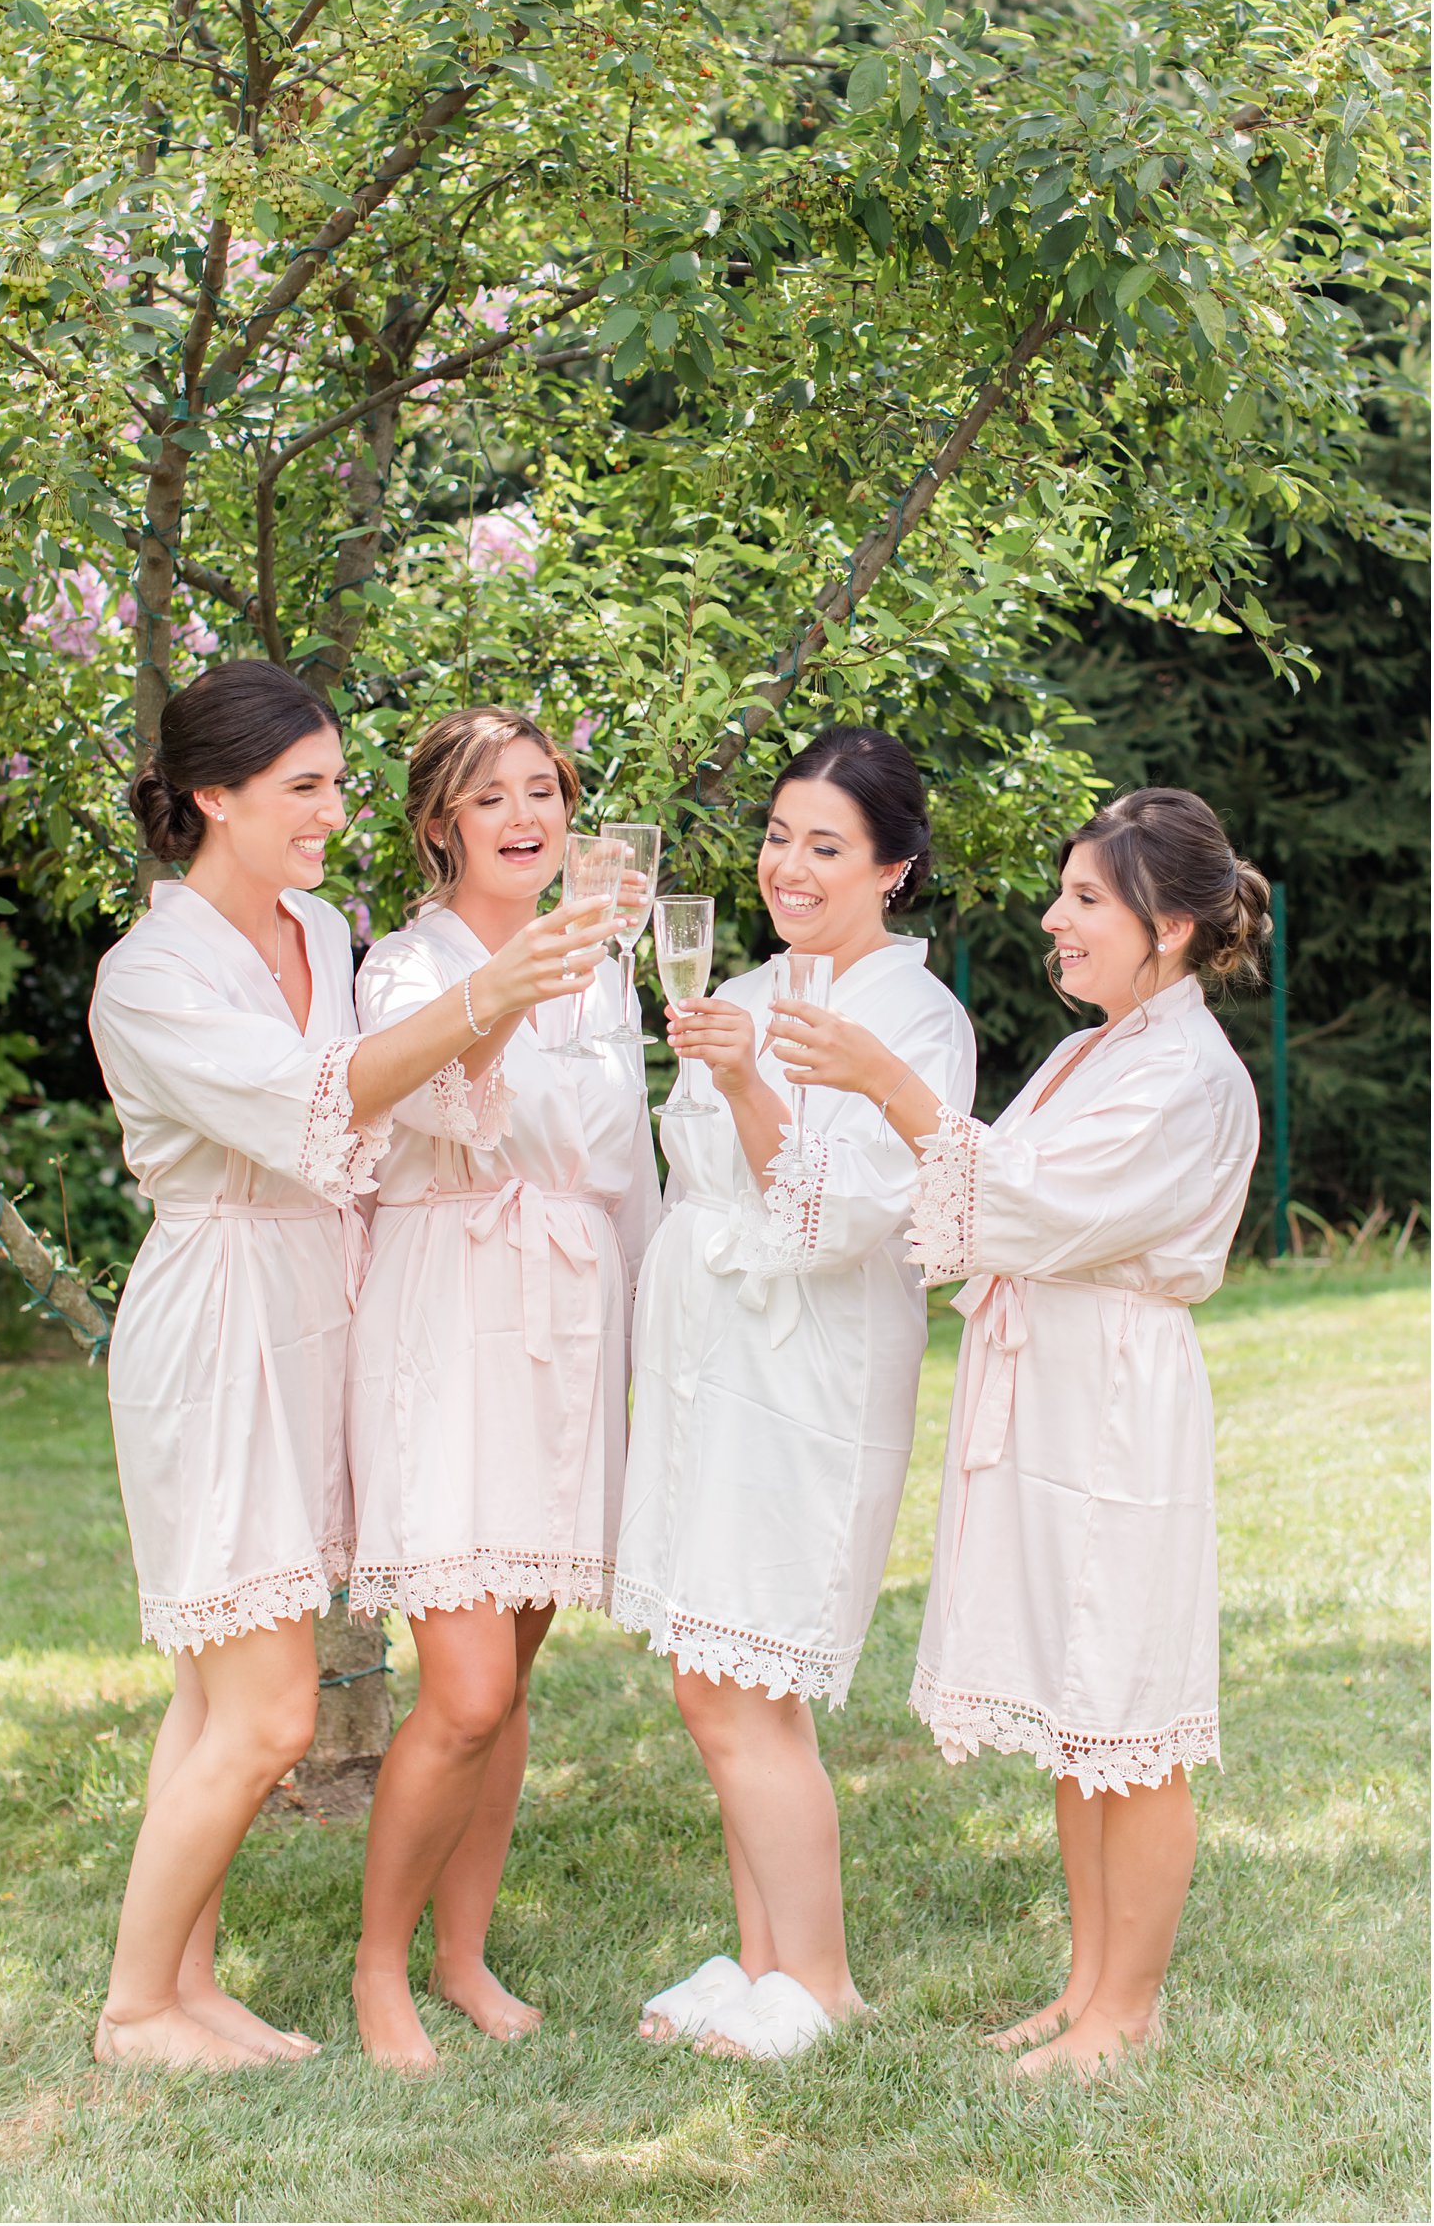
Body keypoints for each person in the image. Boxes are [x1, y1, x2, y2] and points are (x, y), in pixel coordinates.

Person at [88, 662, 607, 2070]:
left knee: (207, 1694)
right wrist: (490, 988)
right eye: (303, 787)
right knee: (264, 1710)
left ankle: (187, 1982)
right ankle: (135, 2007)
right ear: (214, 797)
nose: (333, 811)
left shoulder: (315, 923)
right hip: (219, 1313)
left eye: (333, 781)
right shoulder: (150, 977)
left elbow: (393, 1110)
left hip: (324, 1300)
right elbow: (317, 1102)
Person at [770, 787, 1266, 2080]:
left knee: (1130, 1713)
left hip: (1114, 1398)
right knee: (1072, 1703)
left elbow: (1032, 1202)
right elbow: (1003, 1193)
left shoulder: (1186, 1073)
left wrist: (886, 1081)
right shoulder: (1094, 1045)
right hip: (1046, 1381)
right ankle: (1084, 1986)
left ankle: (1129, 2013)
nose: (1055, 917)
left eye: (1086, 898)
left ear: (1167, 923)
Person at [612, 726, 975, 2061]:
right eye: (777, 836)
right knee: (711, 1668)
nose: (788, 864)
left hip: (807, 1364)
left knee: (747, 1674)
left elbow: (833, 1216)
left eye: (826, 845)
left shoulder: (916, 1016)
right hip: (713, 1358)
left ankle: (819, 1979)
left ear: (894, 867)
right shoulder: (752, 980)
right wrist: (729, 1057)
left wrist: (739, 1074)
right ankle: (761, 1958)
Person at [346, 707, 659, 2073]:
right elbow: (435, 1109)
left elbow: (625, 1163)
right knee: (462, 1685)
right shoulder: (404, 967)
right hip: (450, 1317)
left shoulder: (608, 973)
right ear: (440, 825)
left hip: (569, 1325)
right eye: (493, 797)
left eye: (546, 790)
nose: (526, 814)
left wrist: (648, 1339)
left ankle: (464, 1955)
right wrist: (518, 983)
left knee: (512, 1677)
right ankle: (376, 1967)